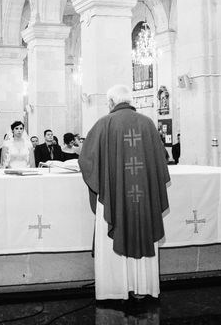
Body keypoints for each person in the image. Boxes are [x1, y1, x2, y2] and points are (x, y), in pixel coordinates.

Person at [79, 84, 170, 300]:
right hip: (144, 198)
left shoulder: (104, 124)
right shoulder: (148, 124)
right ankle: (144, 287)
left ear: (111, 102)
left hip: (114, 198)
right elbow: (161, 162)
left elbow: (86, 160)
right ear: (130, 101)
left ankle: (115, 289)